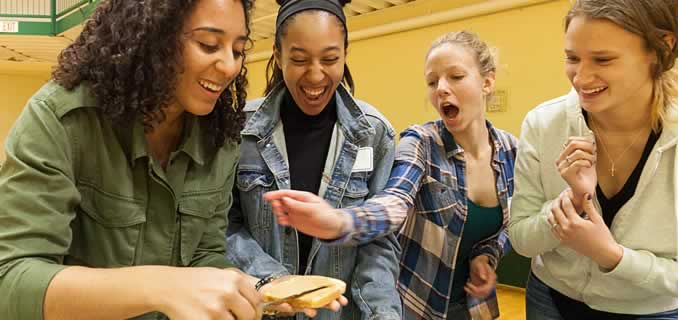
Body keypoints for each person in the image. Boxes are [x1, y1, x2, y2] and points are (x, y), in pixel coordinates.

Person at [0, 0, 275, 319]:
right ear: (153, 36)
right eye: (208, 44)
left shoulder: (220, 138)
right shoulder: (62, 120)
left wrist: (251, 290)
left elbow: (204, 255)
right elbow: (11, 281)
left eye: (239, 50)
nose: (229, 66)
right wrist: (161, 286)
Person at [507, 0, 678, 319]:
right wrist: (573, 201)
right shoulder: (543, 124)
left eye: (603, 59)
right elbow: (522, 240)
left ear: (662, 47)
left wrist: (613, 256)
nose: (580, 77)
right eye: (572, 58)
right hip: (549, 298)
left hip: (649, 313)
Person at [263, 31, 518, 320]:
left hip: (474, 308)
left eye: (456, 77)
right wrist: (338, 222)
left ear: (487, 81)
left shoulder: (511, 151)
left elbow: (512, 224)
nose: (441, 89)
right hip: (413, 304)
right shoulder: (421, 142)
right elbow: (393, 204)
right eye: (432, 82)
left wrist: (487, 256)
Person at [225, 0, 401, 319]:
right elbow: (226, 225)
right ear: (278, 56)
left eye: (330, 58)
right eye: (299, 59)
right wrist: (277, 282)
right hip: (262, 307)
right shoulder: (240, 130)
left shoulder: (374, 134)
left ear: (345, 53)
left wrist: (382, 313)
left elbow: (379, 243)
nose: (316, 75)